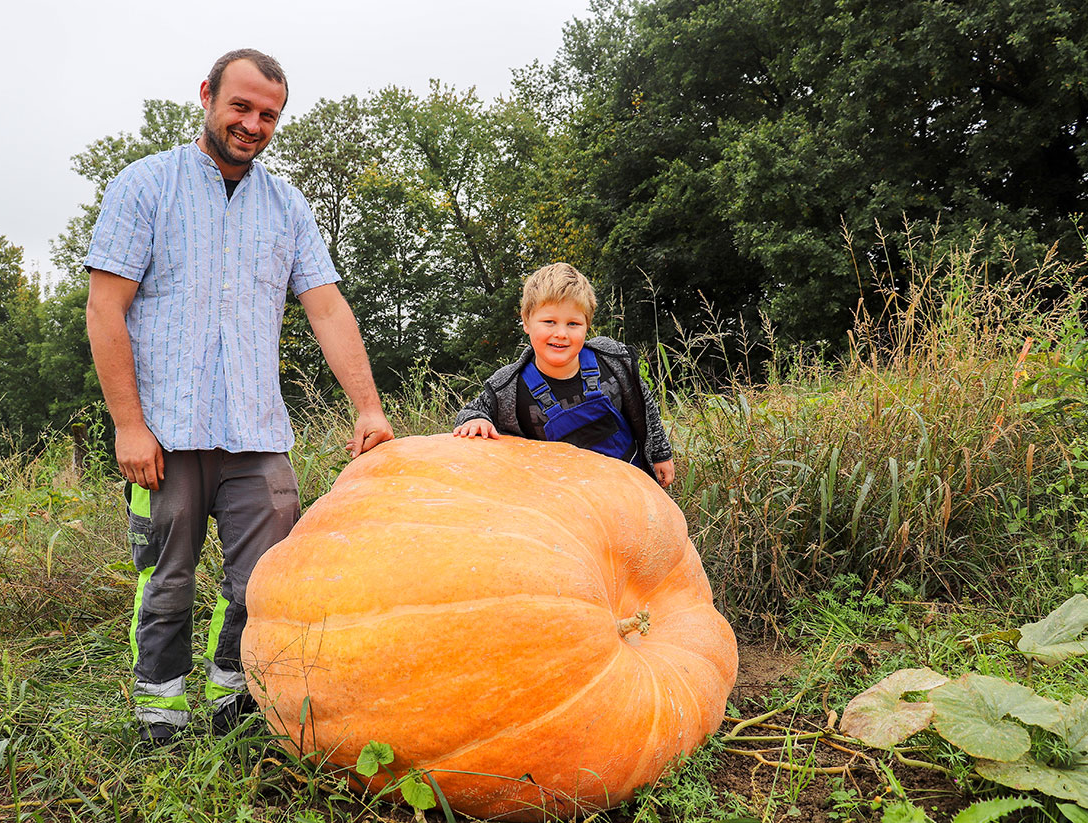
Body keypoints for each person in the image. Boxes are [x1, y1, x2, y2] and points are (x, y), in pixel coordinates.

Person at [85, 48, 394, 746]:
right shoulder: (144, 186)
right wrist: (128, 425)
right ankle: (160, 717)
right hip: (165, 433)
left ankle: (236, 700)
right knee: (165, 581)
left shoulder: (287, 207)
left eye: (268, 115)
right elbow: (106, 310)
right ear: (206, 95)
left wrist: (368, 406)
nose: (253, 124)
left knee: (265, 582)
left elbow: (328, 309)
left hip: (257, 434)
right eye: (242, 107)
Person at [453, 263, 675, 487]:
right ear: (526, 321)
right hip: (565, 501)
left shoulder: (612, 359)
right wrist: (476, 419)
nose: (561, 334)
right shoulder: (508, 386)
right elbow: (472, 411)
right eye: (549, 322)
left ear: (587, 325)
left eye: (573, 324)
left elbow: (647, 407)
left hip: (633, 485)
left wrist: (660, 454)